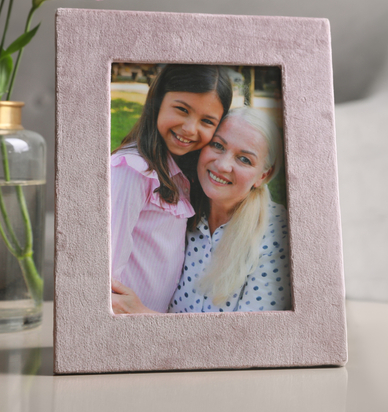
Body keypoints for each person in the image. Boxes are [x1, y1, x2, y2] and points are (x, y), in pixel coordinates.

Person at [112, 107, 290, 314]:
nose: (223, 165)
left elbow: (250, 341)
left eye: (244, 159)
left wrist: (141, 315)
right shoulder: (183, 209)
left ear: (263, 176)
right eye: (217, 145)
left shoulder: (278, 235)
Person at [110, 64, 232, 313]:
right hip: (127, 328)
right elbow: (106, 266)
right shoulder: (133, 170)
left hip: (153, 325)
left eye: (207, 121)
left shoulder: (179, 172)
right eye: (181, 109)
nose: (189, 128)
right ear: (157, 101)